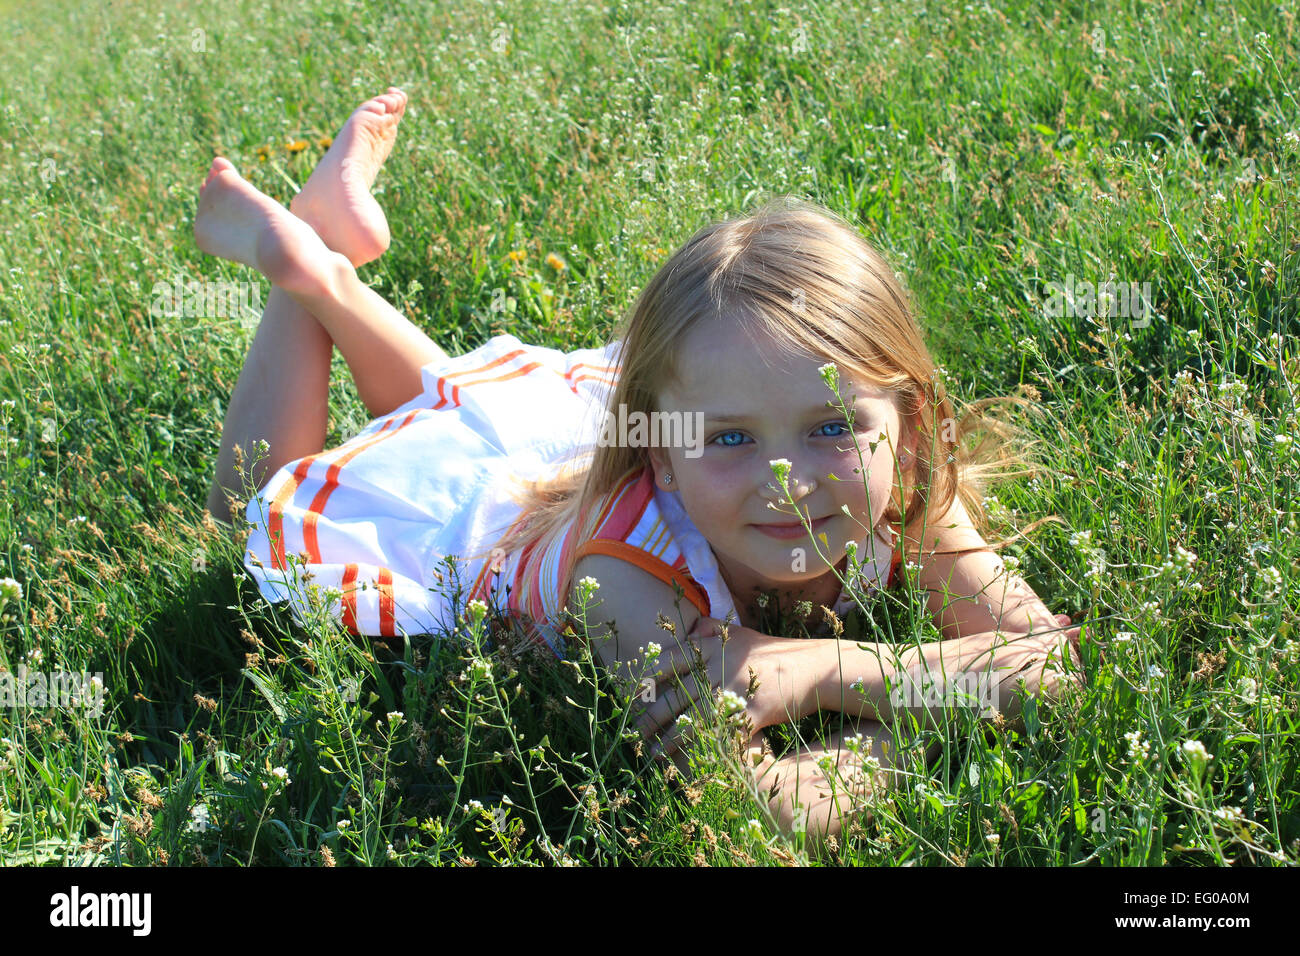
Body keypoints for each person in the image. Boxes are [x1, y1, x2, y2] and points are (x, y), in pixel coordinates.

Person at [199, 88, 1084, 854]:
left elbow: (1060, 672)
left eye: (832, 426)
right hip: (477, 539)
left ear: (910, 424)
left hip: (565, 467)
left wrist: (820, 670)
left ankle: (328, 270)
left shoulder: (908, 490)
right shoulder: (626, 581)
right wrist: (958, 693)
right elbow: (768, 815)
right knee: (248, 507)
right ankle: (298, 269)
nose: (788, 481)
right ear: (660, 443)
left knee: (465, 419)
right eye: (733, 438)